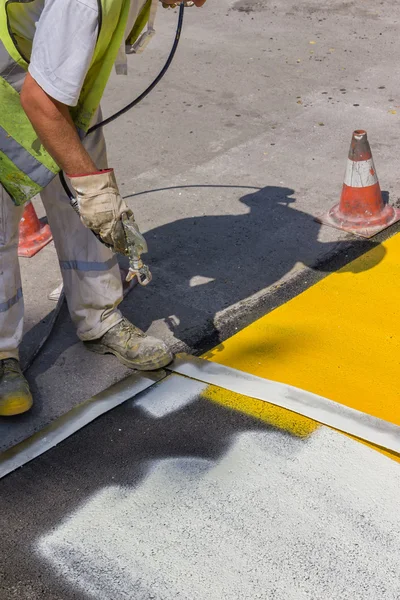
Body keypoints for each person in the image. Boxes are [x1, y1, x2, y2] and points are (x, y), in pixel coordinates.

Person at [0, 0, 207, 417]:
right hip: (8, 86)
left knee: (85, 196)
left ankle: (98, 317)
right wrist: (92, 188)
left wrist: (87, 185)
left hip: (55, 83)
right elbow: (39, 101)